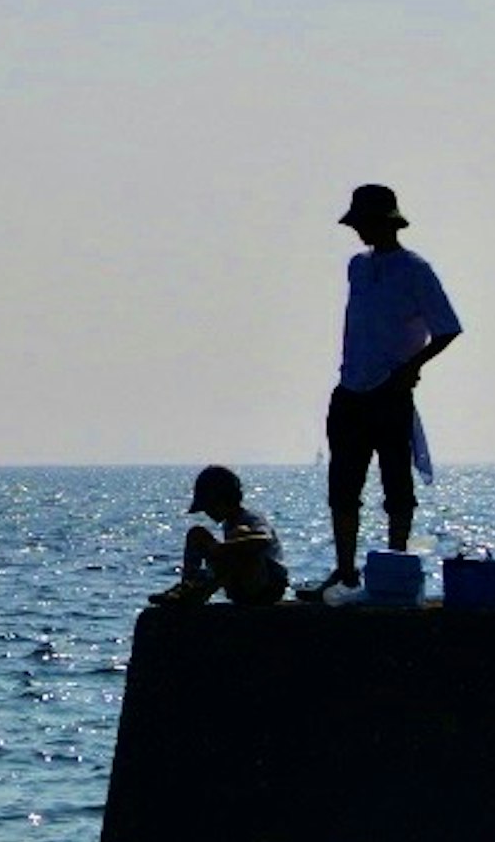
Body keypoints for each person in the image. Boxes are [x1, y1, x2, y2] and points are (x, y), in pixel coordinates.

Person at [309, 182, 460, 599]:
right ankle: (345, 571)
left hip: (389, 391)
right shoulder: (357, 266)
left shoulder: (415, 270)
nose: (358, 231)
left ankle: (395, 563)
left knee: (396, 484)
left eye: (364, 223)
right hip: (350, 388)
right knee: (343, 484)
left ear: (383, 223)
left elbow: (447, 328)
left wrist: (410, 368)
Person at [152, 463, 288, 607]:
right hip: (240, 586)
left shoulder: (250, 519)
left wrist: (223, 549)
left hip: (266, 586)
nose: (207, 512)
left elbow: (264, 539)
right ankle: (189, 586)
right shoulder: (228, 524)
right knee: (196, 534)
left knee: (240, 534)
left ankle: (199, 592)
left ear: (225, 500)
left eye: (210, 506)